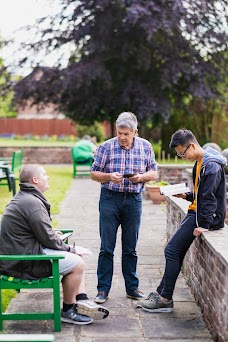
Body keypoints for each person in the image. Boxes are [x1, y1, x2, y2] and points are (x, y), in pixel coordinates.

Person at [0, 164, 109, 325]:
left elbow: (41, 232)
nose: (48, 177)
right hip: (22, 262)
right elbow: (48, 238)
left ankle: (82, 299)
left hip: (22, 254)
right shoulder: (32, 203)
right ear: (35, 180)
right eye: (44, 174)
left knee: (75, 257)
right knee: (77, 262)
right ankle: (68, 310)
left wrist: (55, 235)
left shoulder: (26, 198)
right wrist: (70, 248)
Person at [138, 129, 227, 313]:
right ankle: (161, 292)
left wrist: (204, 225)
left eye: (182, 152)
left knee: (172, 250)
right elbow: (200, 194)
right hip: (197, 211)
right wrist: (186, 195)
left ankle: (165, 299)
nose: (181, 156)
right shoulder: (201, 162)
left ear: (192, 145)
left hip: (203, 217)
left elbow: (210, 199)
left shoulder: (211, 166)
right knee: (174, 251)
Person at [90, 112, 158, 303]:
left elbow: (153, 171)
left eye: (126, 134)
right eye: (119, 133)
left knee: (130, 248)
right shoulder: (106, 147)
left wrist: (141, 177)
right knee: (106, 247)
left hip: (134, 200)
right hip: (110, 198)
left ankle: (132, 288)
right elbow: (94, 174)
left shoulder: (146, 146)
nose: (122, 137)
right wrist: (109, 176)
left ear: (135, 132)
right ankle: (102, 290)